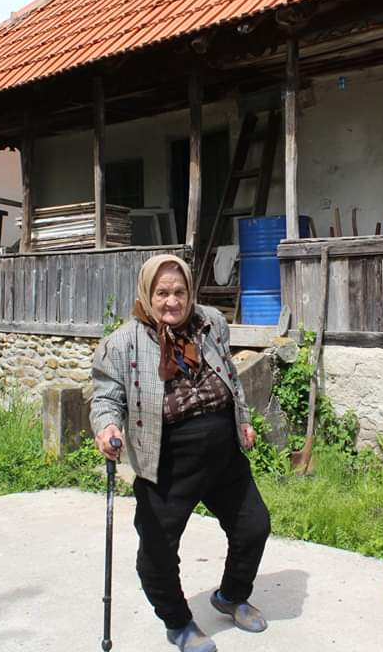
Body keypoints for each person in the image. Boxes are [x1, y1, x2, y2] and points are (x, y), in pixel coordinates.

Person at [91, 254, 271, 652]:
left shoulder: (211, 323)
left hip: (223, 454)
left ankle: (232, 596)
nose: (171, 301)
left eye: (179, 292)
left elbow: (230, 376)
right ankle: (178, 622)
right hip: (166, 460)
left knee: (253, 526)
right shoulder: (123, 343)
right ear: (147, 293)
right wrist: (107, 426)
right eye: (161, 293)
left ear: (190, 292)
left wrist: (242, 418)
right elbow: (106, 396)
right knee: (157, 551)